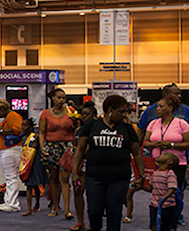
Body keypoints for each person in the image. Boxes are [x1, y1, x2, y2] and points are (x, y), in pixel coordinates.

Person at [72, 95, 144, 231]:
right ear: (110, 110)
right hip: (94, 176)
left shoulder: (127, 129)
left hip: (119, 177)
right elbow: (80, 150)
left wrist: (141, 175)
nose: (123, 115)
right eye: (121, 112)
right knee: (94, 211)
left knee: (114, 212)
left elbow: (137, 154)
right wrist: (75, 172)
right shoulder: (92, 126)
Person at [143, 96, 189, 228]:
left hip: (177, 165)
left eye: (161, 106)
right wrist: (154, 144)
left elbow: (188, 144)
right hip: (157, 166)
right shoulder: (153, 123)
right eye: (157, 106)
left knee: (173, 196)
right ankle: (156, 223)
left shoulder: (182, 124)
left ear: (170, 108)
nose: (157, 109)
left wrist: (171, 145)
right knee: (155, 194)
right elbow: (145, 143)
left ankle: (172, 223)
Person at [39, 88, 75, 219]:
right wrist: (43, 147)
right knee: (54, 180)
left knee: (65, 179)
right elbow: (42, 132)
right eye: (59, 98)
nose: (62, 100)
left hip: (66, 147)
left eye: (63, 98)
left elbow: (76, 127)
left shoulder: (71, 112)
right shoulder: (45, 114)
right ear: (53, 98)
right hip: (51, 147)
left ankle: (67, 210)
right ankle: (55, 208)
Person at [0, 98, 23, 213]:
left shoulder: (13, 116)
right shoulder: (8, 117)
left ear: (3, 108)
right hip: (7, 150)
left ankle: (13, 204)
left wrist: (2, 131)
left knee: (11, 177)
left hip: (10, 150)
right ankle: (9, 201)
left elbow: (17, 130)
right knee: (9, 177)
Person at [73, 101, 97, 231]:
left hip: (93, 165)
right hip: (80, 164)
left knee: (93, 195)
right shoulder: (79, 130)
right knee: (78, 191)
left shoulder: (97, 129)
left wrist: (85, 149)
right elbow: (75, 145)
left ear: (94, 115)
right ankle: (80, 221)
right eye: (83, 114)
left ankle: (92, 223)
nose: (84, 117)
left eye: (87, 114)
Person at [142, 152, 179, 231]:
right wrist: (141, 186)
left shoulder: (170, 173)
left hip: (167, 206)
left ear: (169, 161)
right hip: (154, 204)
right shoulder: (156, 172)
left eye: (164, 155)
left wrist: (164, 197)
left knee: (166, 226)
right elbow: (151, 188)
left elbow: (172, 188)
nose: (160, 155)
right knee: (154, 225)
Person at [20, 118, 48, 216]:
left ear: (31, 127)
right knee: (29, 185)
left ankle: (37, 203)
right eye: (22, 125)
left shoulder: (35, 137)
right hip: (27, 164)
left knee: (36, 184)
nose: (23, 127)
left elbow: (34, 148)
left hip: (35, 162)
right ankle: (29, 208)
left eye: (25, 125)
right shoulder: (23, 139)